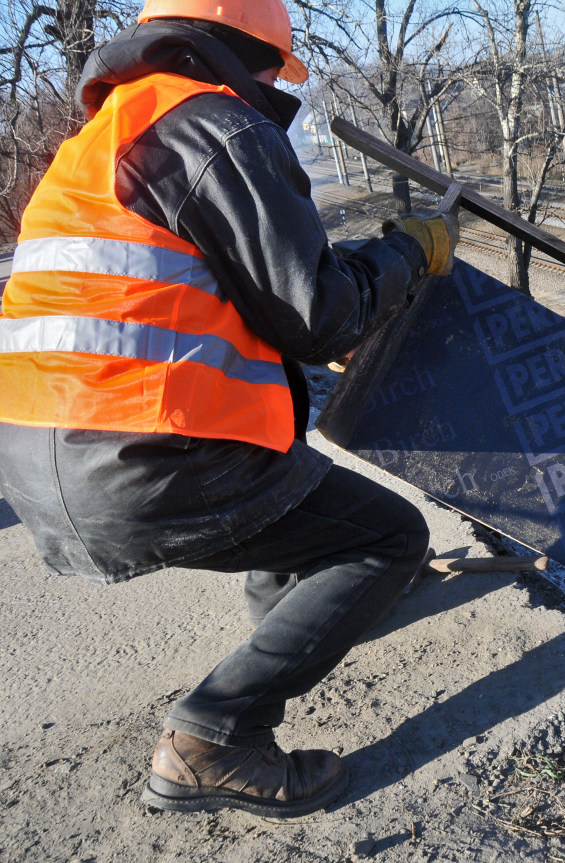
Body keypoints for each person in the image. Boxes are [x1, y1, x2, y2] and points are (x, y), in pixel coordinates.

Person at [0, 0, 457, 817]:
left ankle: (300, 615)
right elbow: (317, 316)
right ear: (246, 53)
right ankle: (214, 733)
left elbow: (248, 284)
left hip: (41, 460)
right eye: (277, 74)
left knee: (289, 481)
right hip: (139, 459)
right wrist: (408, 252)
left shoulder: (108, 136)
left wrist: (358, 272)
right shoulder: (217, 125)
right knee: (392, 537)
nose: (276, 90)